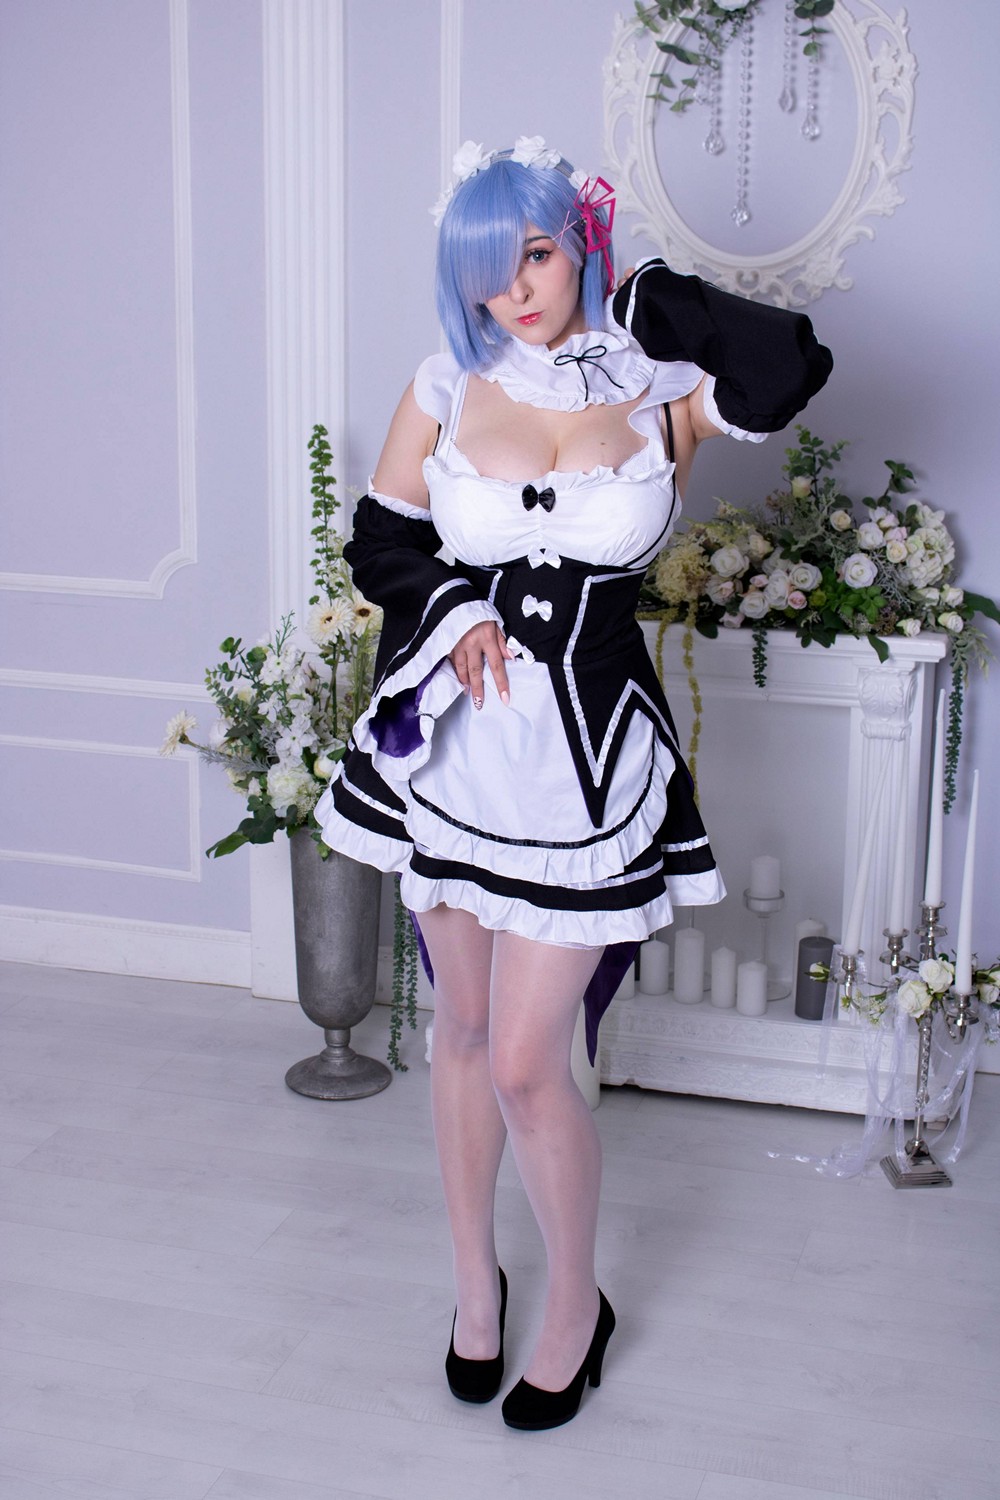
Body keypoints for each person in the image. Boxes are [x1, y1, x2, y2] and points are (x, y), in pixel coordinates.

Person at [315, 137, 831, 1432]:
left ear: (578, 244)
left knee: (529, 1061)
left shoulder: (660, 388)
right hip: (458, 753)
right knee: (462, 1035)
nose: (517, 293)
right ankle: (474, 1291)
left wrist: (655, 295)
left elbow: (790, 363)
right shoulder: (448, 380)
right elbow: (380, 538)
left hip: (588, 768)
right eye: (488, 274)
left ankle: (573, 1306)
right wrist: (452, 611)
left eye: (537, 256)